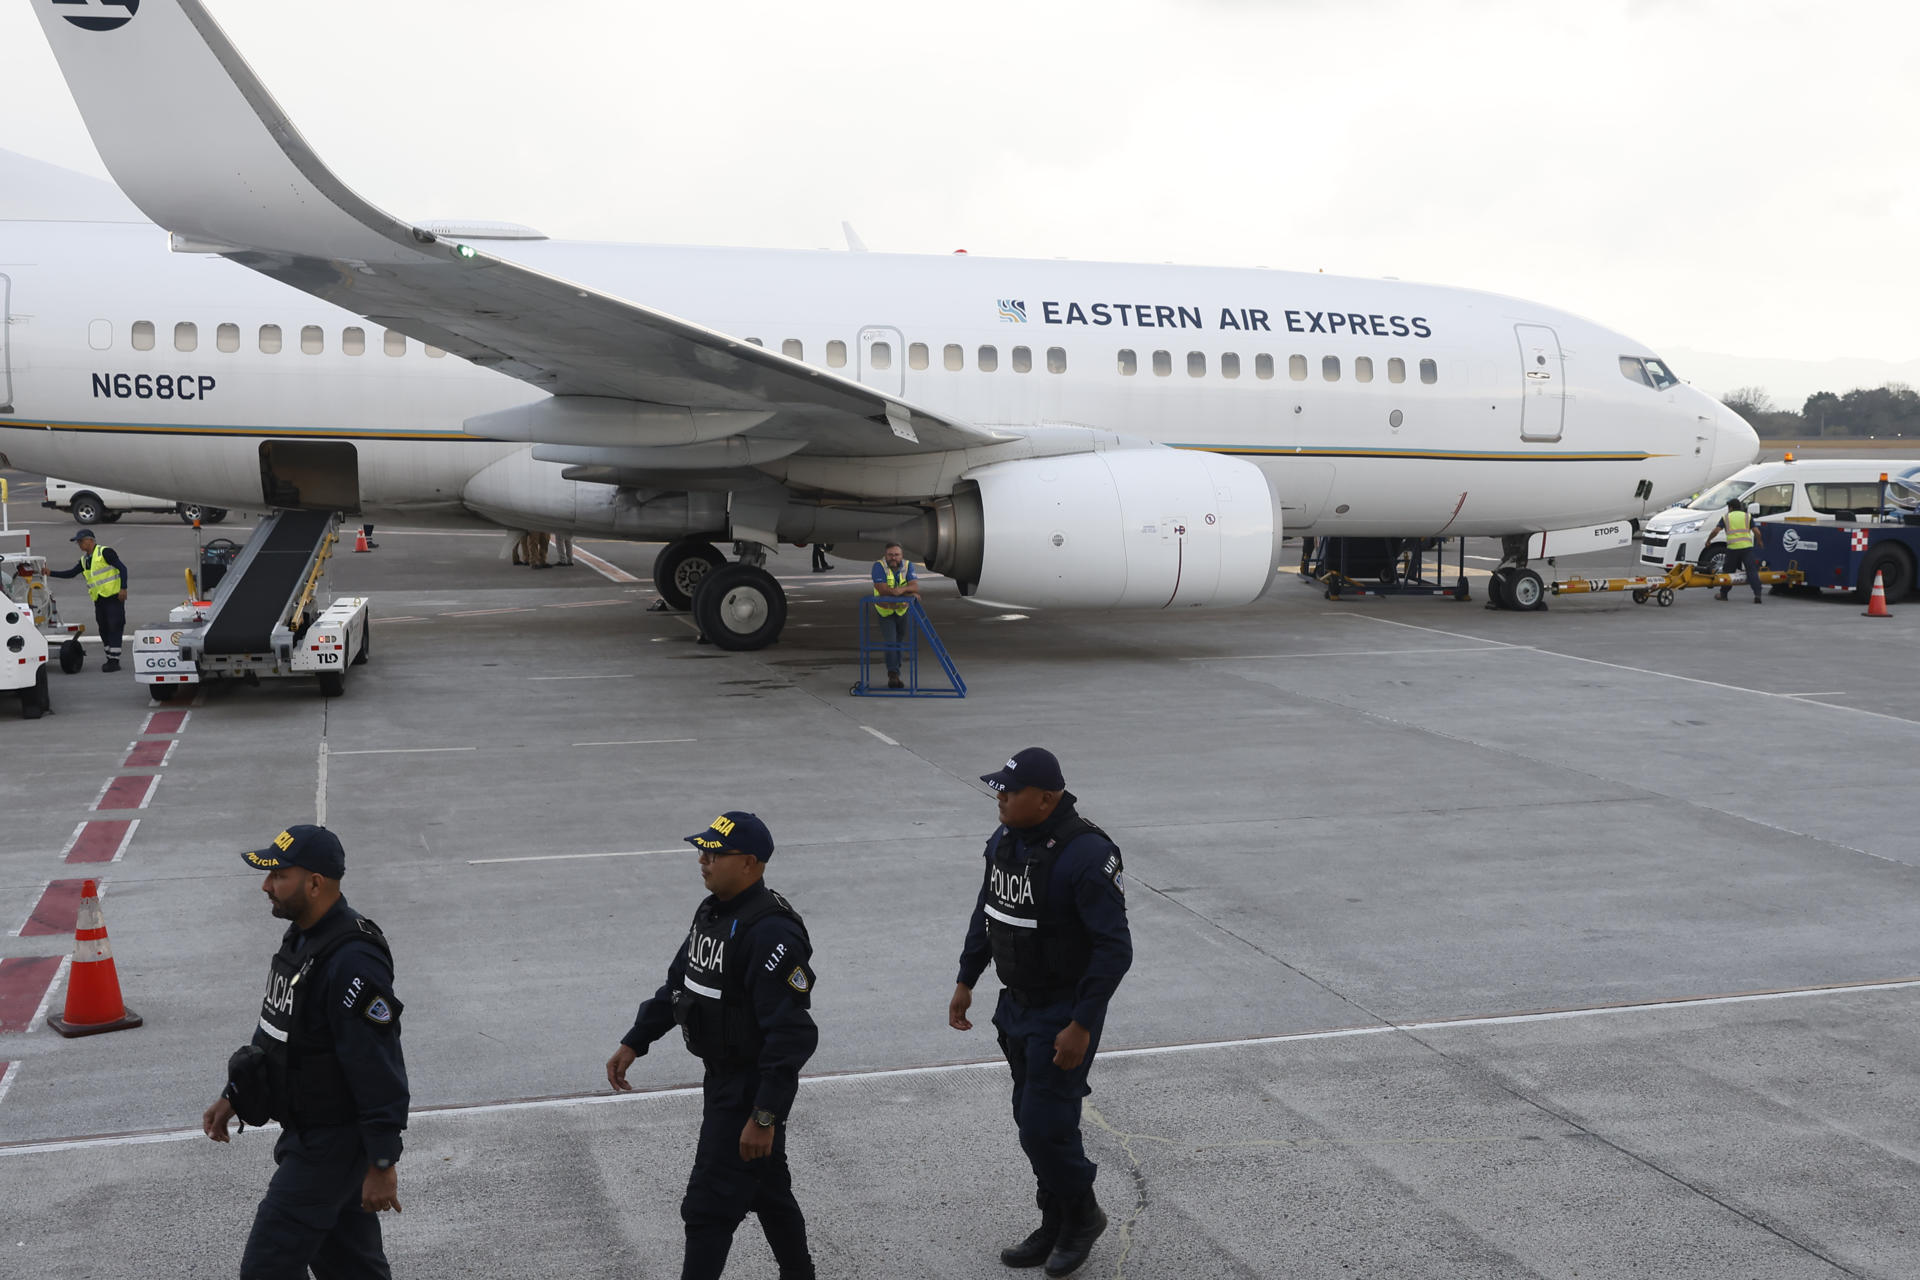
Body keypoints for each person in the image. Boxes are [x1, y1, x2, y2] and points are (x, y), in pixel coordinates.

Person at [607, 812, 818, 1280]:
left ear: (748, 863)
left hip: (748, 1088)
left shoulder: (771, 932)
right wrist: (636, 1040)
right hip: (721, 1078)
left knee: (707, 1207)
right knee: (766, 1188)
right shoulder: (714, 913)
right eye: (701, 850)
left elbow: (791, 1035)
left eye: (714, 853)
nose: (702, 859)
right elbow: (681, 983)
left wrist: (763, 1116)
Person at [948, 748, 1132, 1278]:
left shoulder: (1086, 855)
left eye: (1010, 791)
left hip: (1064, 1012)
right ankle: (1054, 1222)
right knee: (1036, 1121)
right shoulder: (1005, 841)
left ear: (1046, 798)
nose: (1000, 797)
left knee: (1041, 1127)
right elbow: (989, 912)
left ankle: (1082, 1217)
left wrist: (1081, 1023)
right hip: (1017, 1007)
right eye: (998, 789)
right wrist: (966, 979)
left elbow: (1114, 949)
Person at [203, 824, 409, 1279]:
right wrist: (234, 1093)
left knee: (267, 1268)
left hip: (331, 1146)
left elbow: (378, 1067)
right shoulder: (301, 939)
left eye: (278, 875)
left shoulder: (353, 960)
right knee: (351, 1268)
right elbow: (277, 1031)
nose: (266, 885)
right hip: (309, 1134)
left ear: (315, 883)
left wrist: (381, 1161)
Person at [47, 527, 128, 672]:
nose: (79, 545)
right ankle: (110, 657)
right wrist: (50, 573)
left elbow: (123, 569)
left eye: (81, 542)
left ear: (90, 540)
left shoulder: (105, 552)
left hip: (113, 597)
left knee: (115, 626)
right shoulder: (84, 560)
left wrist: (123, 588)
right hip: (99, 600)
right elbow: (71, 573)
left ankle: (114, 661)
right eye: (78, 542)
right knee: (103, 628)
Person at [870, 541, 920, 689]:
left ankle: (896, 671)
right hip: (885, 611)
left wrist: (904, 591)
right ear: (885, 555)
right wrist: (906, 592)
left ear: (902, 555)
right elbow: (883, 589)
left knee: (899, 642)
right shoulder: (879, 566)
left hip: (902, 611)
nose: (893, 558)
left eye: (896, 555)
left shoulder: (907, 565)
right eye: (890, 555)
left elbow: (915, 586)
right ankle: (893, 674)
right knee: (891, 642)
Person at [1711, 497, 1765, 603]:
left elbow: (1716, 530)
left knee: (1728, 572)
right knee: (1752, 571)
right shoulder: (1747, 516)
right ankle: (1757, 595)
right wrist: (1760, 541)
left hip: (1733, 549)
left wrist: (1709, 540)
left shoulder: (1726, 517)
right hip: (1747, 548)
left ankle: (1723, 594)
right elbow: (1757, 532)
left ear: (1730, 508)